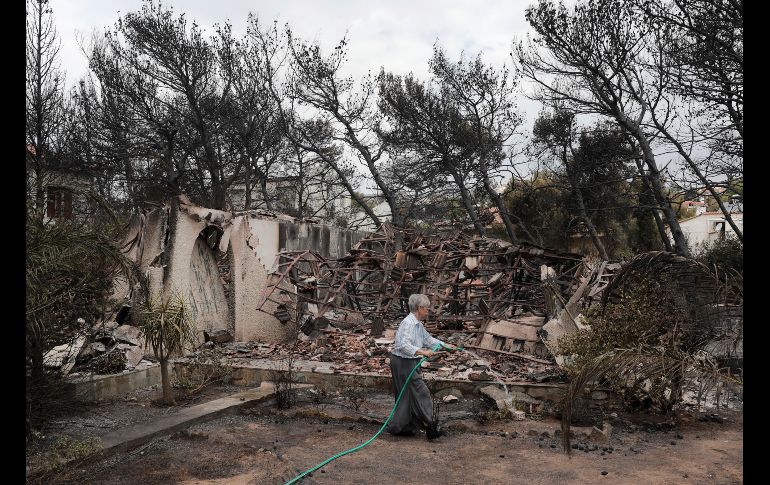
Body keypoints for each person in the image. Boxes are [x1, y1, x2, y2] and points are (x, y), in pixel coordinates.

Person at [386, 293, 459, 440]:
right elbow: (403, 345)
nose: (428, 310)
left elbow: (427, 339)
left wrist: (445, 345)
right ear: (419, 308)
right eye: (427, 308)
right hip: (403, 363)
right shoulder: (408, 324)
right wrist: (422, 351)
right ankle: (431, 427)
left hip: (408, 362)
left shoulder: (417, 324)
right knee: (422, 393)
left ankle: (402, 427)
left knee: (406, 397)